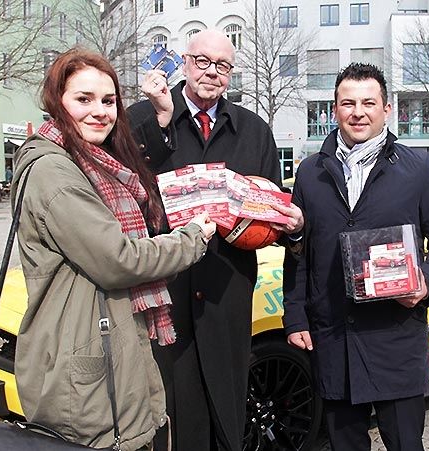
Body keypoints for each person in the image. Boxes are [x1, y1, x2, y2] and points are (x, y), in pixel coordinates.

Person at [10, 48, 216, 450]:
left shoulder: (89, 162)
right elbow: (119, 259)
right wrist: (194, 237)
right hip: (86, 372)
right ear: (57, 101)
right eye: (83, 99)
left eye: (108, 101)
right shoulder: (55, 172)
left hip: (105, 353)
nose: (99, 111)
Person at [127, 29, 303, 451]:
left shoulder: (254, 130)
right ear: (183, 61)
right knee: (173, 414)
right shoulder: (140, 117)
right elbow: (126, 193)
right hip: (165, 295)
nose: (211, 72)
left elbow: (270, 213)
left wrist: (287, 223)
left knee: (227, 410)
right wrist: (160, 124)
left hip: (228, 294)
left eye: (222, 65)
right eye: (202, 61)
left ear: (231, 73)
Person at [282, 63, 429, 451]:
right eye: (348, 103)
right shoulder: (310, 172)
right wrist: (295, 315)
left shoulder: (418, 170)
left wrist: (426, 283)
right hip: (334, 337)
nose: (357, 112)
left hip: (394, 335)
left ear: (387, 109)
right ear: (334, 109)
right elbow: (299, 253)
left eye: (368, 102)